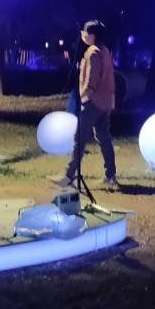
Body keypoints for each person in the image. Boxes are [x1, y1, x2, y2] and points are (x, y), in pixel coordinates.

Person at [52, 19, 118, 192]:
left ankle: (68, 175)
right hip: (105, 103)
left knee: (79, 139)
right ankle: (111, 176)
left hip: (93, 102)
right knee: (104, 139)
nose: (83, 35)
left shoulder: (92, 53)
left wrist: (85, 96)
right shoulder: (104, 51)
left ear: (92, 35)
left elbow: (91, 79)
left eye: (86, 33)